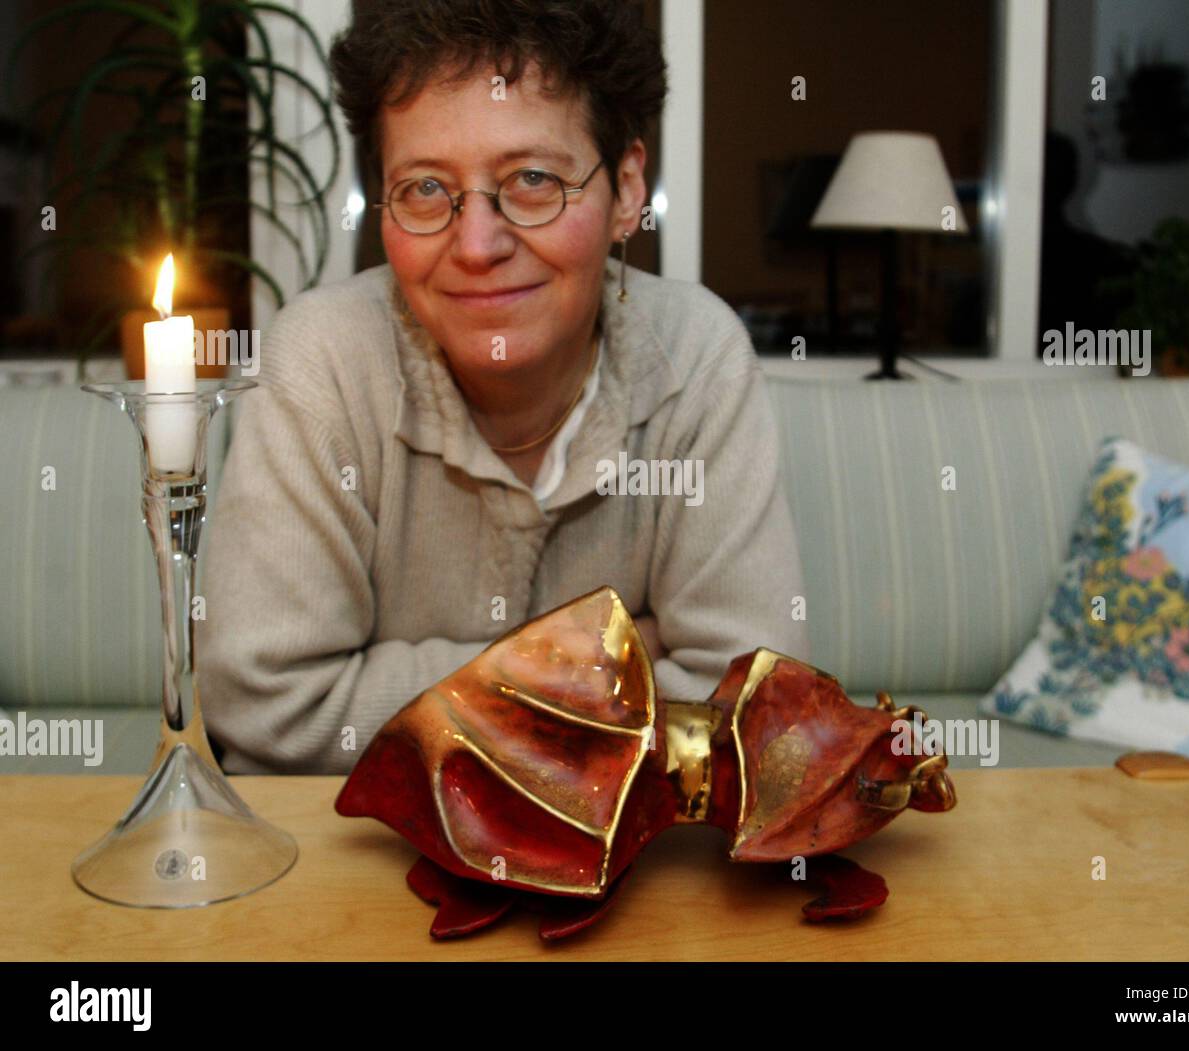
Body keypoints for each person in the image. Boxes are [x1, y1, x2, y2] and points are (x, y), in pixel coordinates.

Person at [195, 0, 810, 774]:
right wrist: (601, 661)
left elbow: (751, 708)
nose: (477, 244)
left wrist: (413, 686)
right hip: (353, 868)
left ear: (625, 191)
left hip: (638, 876)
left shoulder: (699, 357)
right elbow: (269, 706)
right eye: (423, 188)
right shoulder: (321, 358)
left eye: (531, 179)